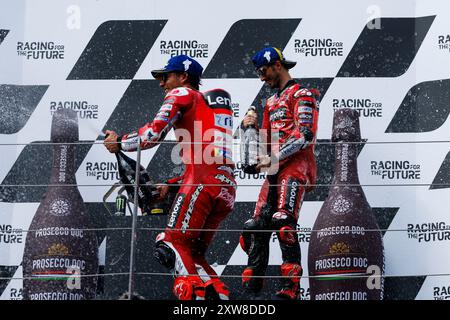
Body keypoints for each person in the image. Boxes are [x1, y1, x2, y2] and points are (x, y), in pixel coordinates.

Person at [103, 55, 236, 300]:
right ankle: (221, 299)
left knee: (170, 243)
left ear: (183, 77)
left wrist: (119, 142)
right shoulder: (209, 106)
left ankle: (193, 298)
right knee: (192, 254)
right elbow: (210, 158)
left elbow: (153, 134)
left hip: (202, 183)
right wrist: (173, 184)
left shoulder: (182, 94)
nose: (161, 83)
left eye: (165, 77)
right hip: (226, 187)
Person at [239, 47, 320, 299]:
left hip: (298, 166)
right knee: (256, 224)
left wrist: (272, 158)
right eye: (258, 74)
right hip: (274, 169)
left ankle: (290, 288)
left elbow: (305, 136)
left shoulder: (303, 94)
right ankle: (255, 277)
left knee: (283, 222)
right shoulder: (270, 102)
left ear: (277, 65)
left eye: (263, 71)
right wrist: (248, 132)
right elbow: (263, 143)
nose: (262, 78)